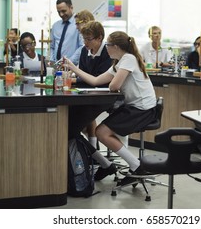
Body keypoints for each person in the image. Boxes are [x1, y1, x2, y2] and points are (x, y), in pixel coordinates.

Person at [64, 31, 157, 184]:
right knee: (100, 131)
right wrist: (73, 67)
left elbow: (114, 85)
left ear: (116, 46)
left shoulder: (128, 59)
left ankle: (136, 165)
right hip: (135, 106)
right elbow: (95, 81)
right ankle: (132, 164)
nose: (106, 47)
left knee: (102, 132)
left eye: (107, 44)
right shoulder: (119, 62)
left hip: (143, 109)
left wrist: (113, 81)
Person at [72, 20, 113, 149]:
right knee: (72, 114)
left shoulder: (108, 52)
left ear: (99, 38)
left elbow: (99, 79)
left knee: (77, 121)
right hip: (87, 93)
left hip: (104, 95)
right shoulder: (85, 51)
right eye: (83, 39)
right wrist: (78, 80)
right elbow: (84, 76)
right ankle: (91, 151)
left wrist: (76, 80)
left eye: (88, 39)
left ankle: (92, 152)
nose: (85, 43)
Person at [50, 0, 83, 65]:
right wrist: (52, 62)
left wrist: (68, 63)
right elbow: (52, 47)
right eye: (58, 12)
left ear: (71, 7)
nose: (61, 14)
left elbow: (82, 47)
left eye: (63, 11)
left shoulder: (79, 24)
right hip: (56, 67)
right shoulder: (55, 26)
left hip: (73, 67)